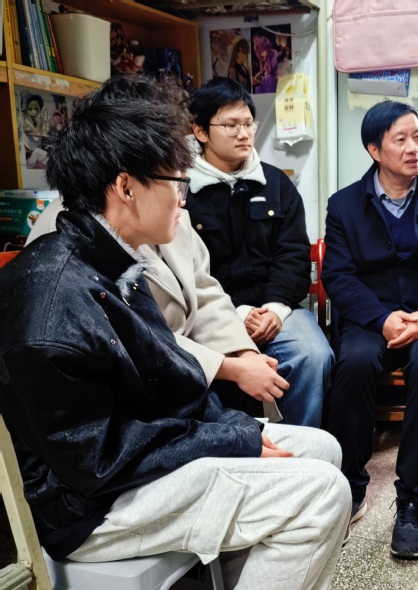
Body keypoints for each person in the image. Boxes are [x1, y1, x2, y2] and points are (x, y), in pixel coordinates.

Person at [0, 75, 349, 590]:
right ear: (125, 188)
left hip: (137, 457)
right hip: (91, 505)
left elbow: (170, 379)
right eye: (176, 185)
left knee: (320, 450)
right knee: (321, 494)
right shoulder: (57, 301)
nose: (184, 202)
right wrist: (232, 437)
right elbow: (98, 461)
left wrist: (232, 428)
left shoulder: (114, 257)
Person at [25, 76, 286, 423]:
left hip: (184, 373)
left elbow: (204, 290)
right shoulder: (71, 238)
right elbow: (133, 339)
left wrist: (242, 354)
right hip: (145, 401)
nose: (182, 194)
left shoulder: (164, 207)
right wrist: (228, 368)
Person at [323, 100, 418, 558]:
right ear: (375, 150)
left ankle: (412, 501)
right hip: (372, 318)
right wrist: (382, 318)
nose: (414, 148)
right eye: (401, 139)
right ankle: (349, 488)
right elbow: (338, 276)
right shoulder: (344, 204)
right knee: (354, 361)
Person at [185, 77, 333, 428]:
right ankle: (237, 445)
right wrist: (239, 313)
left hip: (277, 309)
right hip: (211, 315)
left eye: (249, 124)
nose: (244, 134)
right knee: (195, 369)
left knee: (313, 355)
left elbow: (293, 256)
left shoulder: (277, 184)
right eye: (231, 125)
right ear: (200, 131)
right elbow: (187, 270)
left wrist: (276, 310)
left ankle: (301, 447)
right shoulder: (183, 190)